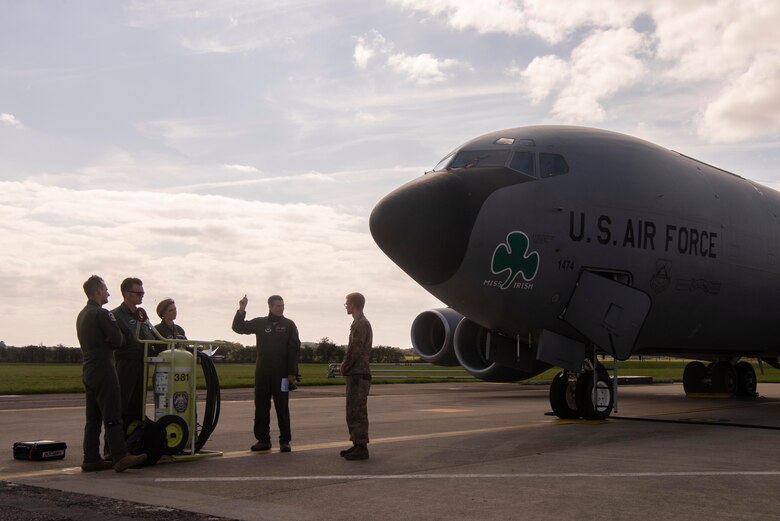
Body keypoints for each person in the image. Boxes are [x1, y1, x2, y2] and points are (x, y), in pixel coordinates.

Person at [76, 275, 147, 472]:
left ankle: (91, 457)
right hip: (104, 369)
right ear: (98, 291)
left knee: (93, 418)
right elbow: (118, 340)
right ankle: (120, 455)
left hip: (89, 369)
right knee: (113, 414)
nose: (108, 293)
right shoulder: (102, 313)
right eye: (106, 289)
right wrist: (116, 335)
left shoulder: (83, 314)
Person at [232, 294, 300, 453]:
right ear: (270, 306)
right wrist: (242, 309)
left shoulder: (289, 325)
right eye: (278, 306)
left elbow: (294, 349)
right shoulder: (260, 323)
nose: (281, 308)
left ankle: (285, 441)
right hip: (262, 372)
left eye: (283, 305)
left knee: (282, 407)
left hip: (282, 374)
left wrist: (292, 372)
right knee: (261, 407)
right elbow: (238, 328)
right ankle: (263, 440)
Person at [112, 277, 154, 433]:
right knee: (122, 404)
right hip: (126, 364)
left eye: (142, 293)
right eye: (138, 293)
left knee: (138, 405)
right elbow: (120, 341)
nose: (141, 296)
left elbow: (150, 337)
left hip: (142, 363)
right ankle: (114, 445)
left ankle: (134, 441)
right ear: (126, 293)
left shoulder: (141, 315)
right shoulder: (115, 315)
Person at [339, 292, 373, 461]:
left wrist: (344, 366)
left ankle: (361, 447)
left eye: (347, 304)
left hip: (358, 374)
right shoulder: (358, 323)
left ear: (354, 305)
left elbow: (355, 349)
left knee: (357, 411)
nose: (346, 307)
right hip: (356, 373)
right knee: (352, 411)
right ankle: (357, 444)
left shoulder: (361, 324)